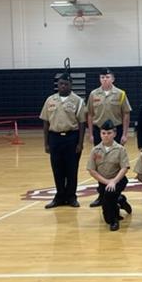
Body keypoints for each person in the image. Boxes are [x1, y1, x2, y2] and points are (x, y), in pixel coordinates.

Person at [40, 73, 86, 209]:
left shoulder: (77, 101)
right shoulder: (50, 100)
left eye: (66, 84)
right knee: (57, 169)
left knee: (72, 169)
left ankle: (71, 197)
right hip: (54, 138)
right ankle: (59, 196)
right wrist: (46, 143)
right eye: (61, 84)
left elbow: (82, 123)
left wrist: (80, 143)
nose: (63, 86)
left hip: (72, 137)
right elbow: (45, 123)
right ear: (58, 85)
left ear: (71, 85)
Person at [87, 68, 132, 208]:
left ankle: (116, 194)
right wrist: (90, 133)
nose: (104, 79)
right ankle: (102, 195)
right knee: (101, 164)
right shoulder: (93, 94)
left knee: (115, 163)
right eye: (102, 77)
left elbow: (126, 113)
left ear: (113, 79)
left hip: (115, 130)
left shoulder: (120, 94)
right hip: (99, 130)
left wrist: (124, 133)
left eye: (107, 77)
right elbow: (90, 114)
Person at [86, 120, 132, 231]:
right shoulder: (95, 150)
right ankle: (120, 200)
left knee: (108, 197)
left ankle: (114, 221)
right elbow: (92, 170)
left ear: (115, 134)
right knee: (108, 196)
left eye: (109, 133)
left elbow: (124, 168)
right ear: (100, 134)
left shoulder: (120, 149)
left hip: (119, 180)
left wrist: (114, 181)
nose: (106, 136)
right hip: (103, 181)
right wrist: (107, 182)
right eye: (103, 133)